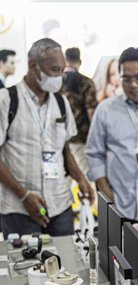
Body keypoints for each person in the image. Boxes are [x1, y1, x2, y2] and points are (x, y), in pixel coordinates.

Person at [0, 38, 93, 237]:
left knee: (65, 263)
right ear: (33, 66)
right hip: (19, 208)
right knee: (27, 265)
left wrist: (80, 178)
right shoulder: (6, 101)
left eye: (62, 70)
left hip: (59, 204)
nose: (60, 77)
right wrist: (24, 195)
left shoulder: (61, 103)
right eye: (54, 70)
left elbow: (64, 148)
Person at [86, 47, 138, 228]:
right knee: (117, 255)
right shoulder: (106, 110)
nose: (133, 85)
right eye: (126, 79)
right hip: (120, 204)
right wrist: (105, 190)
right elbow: (94, 153)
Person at [63, 47, 98, 175]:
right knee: (83, 174)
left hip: (59, 138)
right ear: (80, 62)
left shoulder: (56, 82)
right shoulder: (86, 82)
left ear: (65, 60)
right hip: (81, 137)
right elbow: (91, 111)